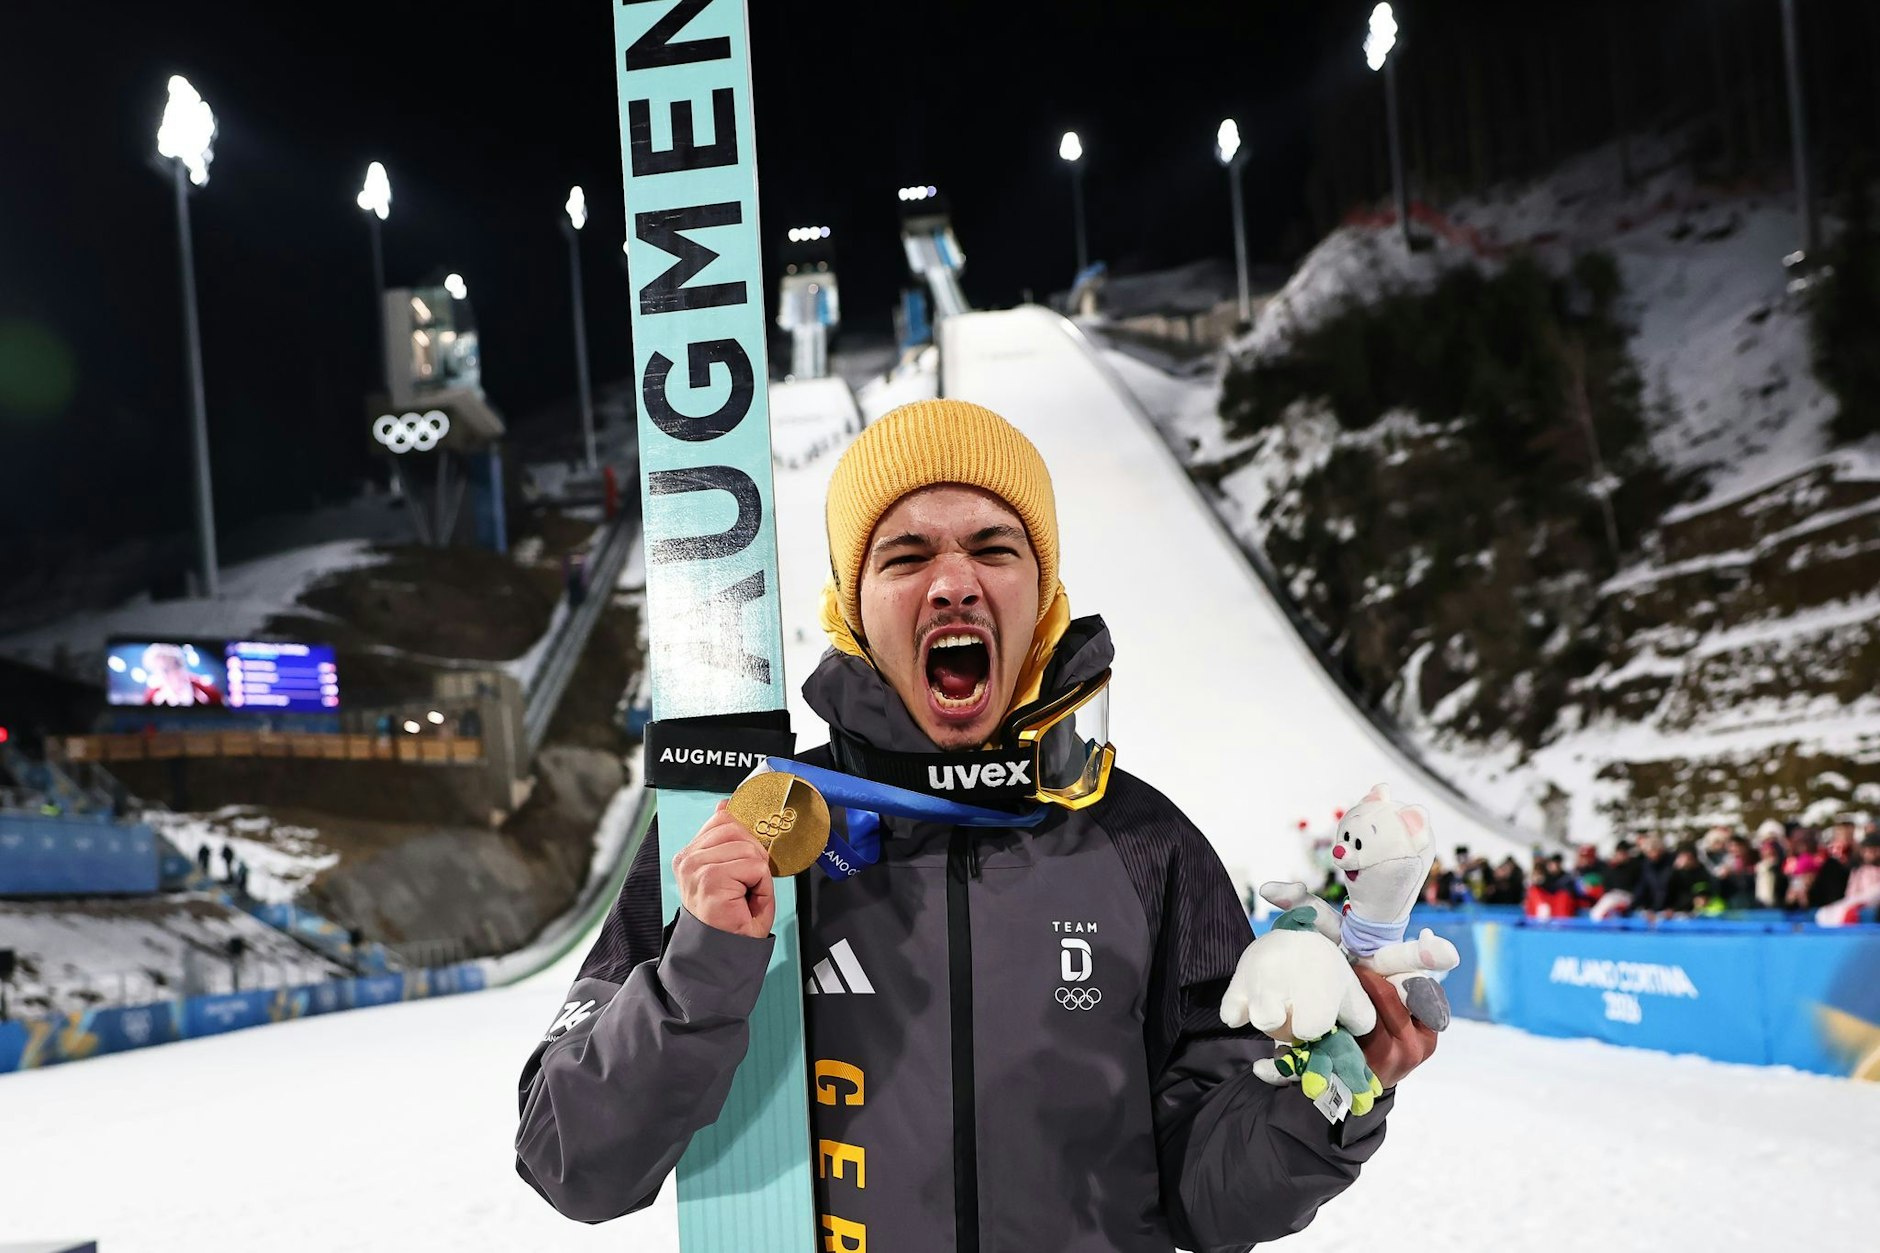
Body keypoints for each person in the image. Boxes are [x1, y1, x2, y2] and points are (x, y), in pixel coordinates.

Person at [514, 400, 1437, 1248]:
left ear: (1041, 600)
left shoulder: (1145, 843)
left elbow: (1210, 1197)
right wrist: (704, 970)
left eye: (995, 549)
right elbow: (572, 1162)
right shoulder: (747, 836)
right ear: (851, 609)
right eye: (906, 556)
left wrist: (1323, 1099)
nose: (954, 581)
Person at [140, 643, 224, 707]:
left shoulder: (206, 690)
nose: (172, 673)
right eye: (164, 670)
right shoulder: (152, 696)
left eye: (176, 665)